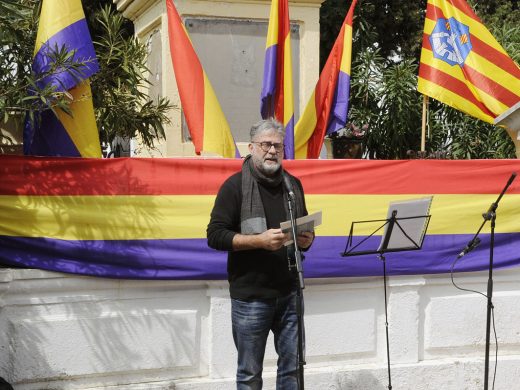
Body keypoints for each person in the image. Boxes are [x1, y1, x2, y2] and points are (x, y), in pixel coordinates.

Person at [207, 118, 314, 389]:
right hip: (251, 297)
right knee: (250, 373)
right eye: (266, 145)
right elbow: (215, 235)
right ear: (252, 147)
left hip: (289, 293)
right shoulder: (234, 187)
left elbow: (300, 227)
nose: (272, 151)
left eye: (278, 146)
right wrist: (259, 241)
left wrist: (306, 240)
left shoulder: (293, 186)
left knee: (292, 370)